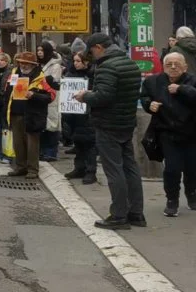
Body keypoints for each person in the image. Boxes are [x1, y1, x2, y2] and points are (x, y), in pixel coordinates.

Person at [73, 33, 144, 230]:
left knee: (114, 170)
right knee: (130, 167)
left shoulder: (107, 67)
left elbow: (103, 96)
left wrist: (84, 96)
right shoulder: (129, 63)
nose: (92, 56)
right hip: (126, 123)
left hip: (108, 124)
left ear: (98, 47)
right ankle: (136, 213)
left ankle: (118, 215)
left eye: (91, 51)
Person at [140, 52, 196, 217]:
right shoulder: (153, 81)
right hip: (167, 131)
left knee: (192, 168)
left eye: (177, 64)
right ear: (163, 66)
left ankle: (192, 194)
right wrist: (149, 104)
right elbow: (144, 97)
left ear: (185, 67)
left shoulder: (192, 80)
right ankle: (172, 200)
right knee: (172, 169)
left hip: (191, 133)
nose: (173, 67)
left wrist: (181, 89)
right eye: (169, 64)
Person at [6, 52, 55, 180]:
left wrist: (34, 95)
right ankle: (20, 167)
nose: (23, 65)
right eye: (21, 62)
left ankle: (33, 170)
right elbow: (8, 91)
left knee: (32, 145)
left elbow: (51, 96)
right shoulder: (14, 73)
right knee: (18, 144)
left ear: (33, 65)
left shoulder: (41, 77)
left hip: (33, 115)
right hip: (16, 113)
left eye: (26, 63)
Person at [64, 52, 98, 185]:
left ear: (86, 62)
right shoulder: (70, 74)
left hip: (88, 113)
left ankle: (91, 171)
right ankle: (79, 168)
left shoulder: (93, 75)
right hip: (74, 113)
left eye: (78, 61)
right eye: (74, 61)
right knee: (78, 142)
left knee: (89, 144)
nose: (75, 63)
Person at [38, 42, 63, 162]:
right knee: (43, 127)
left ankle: (51, 153)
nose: (39, 53)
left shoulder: (55, 66)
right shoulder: (38, 64)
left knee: (52, 127)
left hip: (52, 99)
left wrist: (44, 81)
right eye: (38, 50)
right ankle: (43, 151)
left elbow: (54, 82)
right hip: (41, 98)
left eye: (42, 50)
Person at [0, 53, 14, 163]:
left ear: (7, 61)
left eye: (2, 60)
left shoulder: (11, 72)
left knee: (7, 130)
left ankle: (7, 155)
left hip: (6, 104)